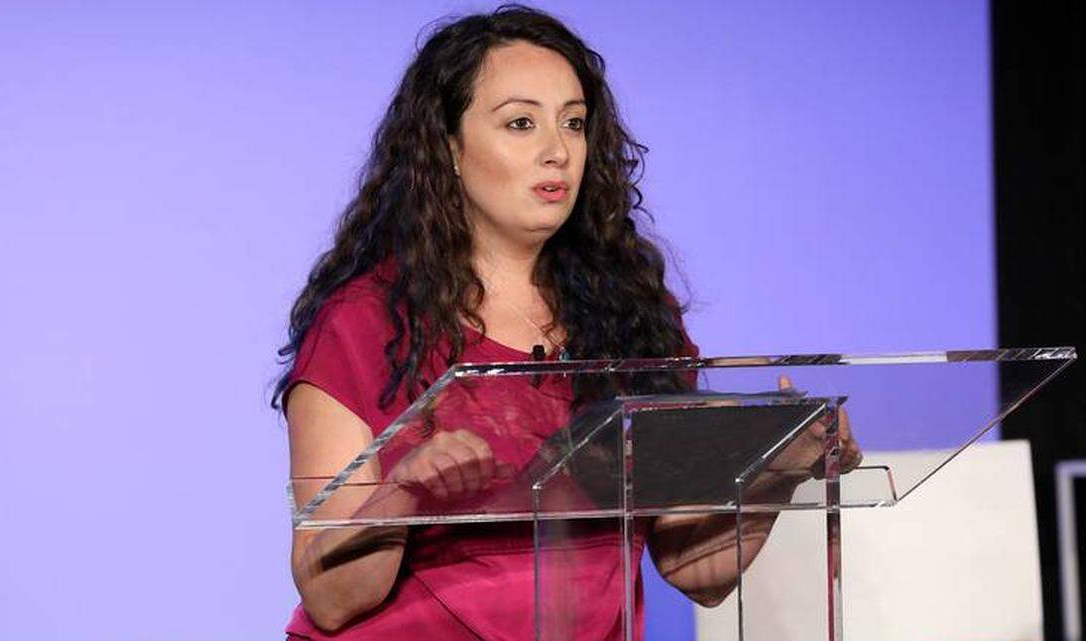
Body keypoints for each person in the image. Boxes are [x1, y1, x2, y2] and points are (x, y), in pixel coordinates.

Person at [272, 6, 861, 640]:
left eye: (574, 124)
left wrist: (779, 467)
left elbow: (696, 570)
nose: (557, 152)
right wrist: (406, 491)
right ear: (448, 148)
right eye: (521, 124)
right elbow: (331, 597)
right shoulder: (364, 324)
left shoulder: (635, 318)